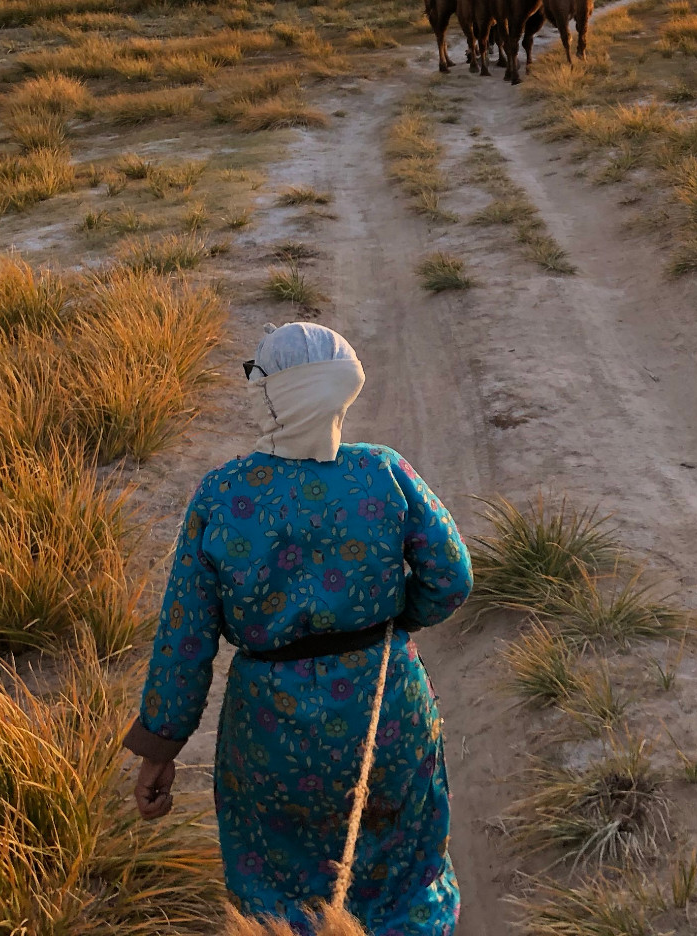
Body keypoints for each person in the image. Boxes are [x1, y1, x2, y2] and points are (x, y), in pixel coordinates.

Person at [124, 322, 472, 934]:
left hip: (270, 731)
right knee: (403, 877)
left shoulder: (224, 494)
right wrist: (391, 625)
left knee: (279, 893)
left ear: (273, 392)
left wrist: (160, 749)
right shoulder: (385, 474)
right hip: (387, 709)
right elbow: (451, 576)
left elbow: (186, 638)